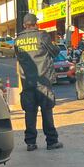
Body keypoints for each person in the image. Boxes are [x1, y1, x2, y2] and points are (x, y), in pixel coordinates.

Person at [15, 13, 64, 151]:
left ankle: (30, 143)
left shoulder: (18, 40)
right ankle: (51, 141)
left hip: (27, 82)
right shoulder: (42, 36)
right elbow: (54, 52)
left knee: (29, 113)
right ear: (35, 24)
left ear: (24, 25)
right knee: (46, 111)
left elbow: (18, 58)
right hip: (43, 80)